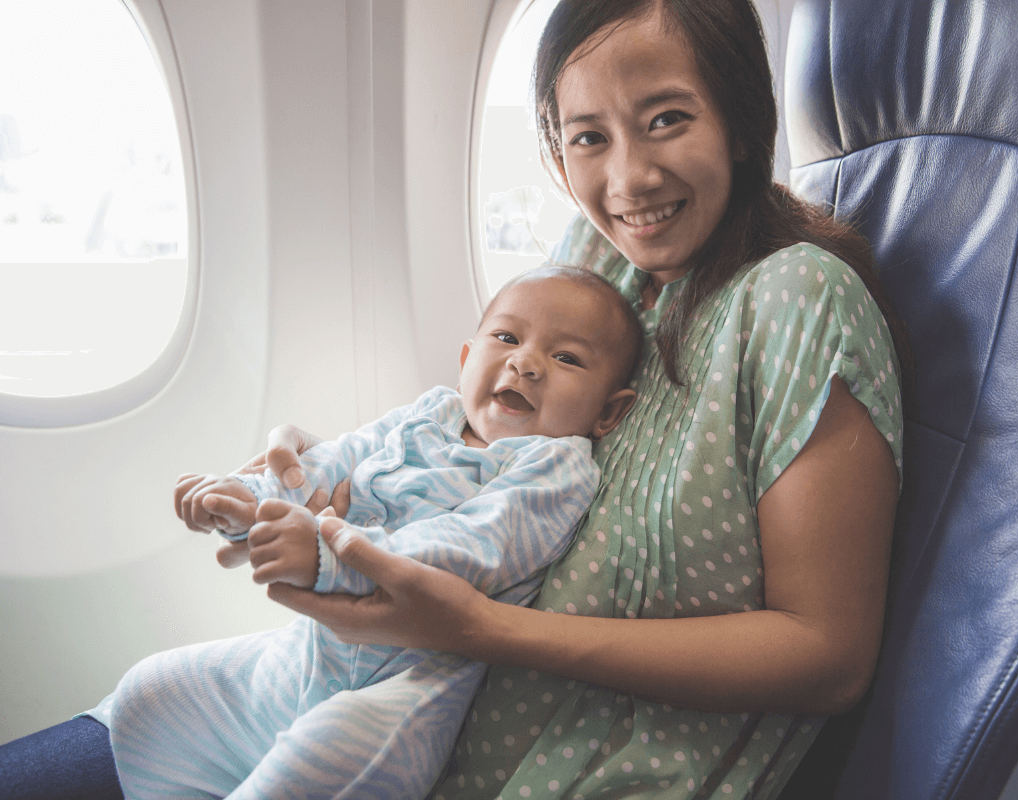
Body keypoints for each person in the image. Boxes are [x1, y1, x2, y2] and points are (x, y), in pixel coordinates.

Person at [0, 1, 906, 799]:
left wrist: (483, 629)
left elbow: (825, 656)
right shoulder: (604, 260)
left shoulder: (799, 297)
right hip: (362, 676)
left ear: (742, 124)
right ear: (555, 149)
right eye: (589, 137)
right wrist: (326, 465)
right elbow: (477, 437)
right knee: (142, 702)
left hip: (564, 758)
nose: (628, 180)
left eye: (667, 120)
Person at [91, 266, 642, 800]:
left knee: (332, 755)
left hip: (404, 685)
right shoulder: (432, 412)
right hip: (306, 655)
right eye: (505, 337)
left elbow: (474, 547)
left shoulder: (557, 465)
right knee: (149, 694)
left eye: (566, 357)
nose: (525, 362)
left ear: (608, 415)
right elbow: (335, 461)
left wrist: (330, 554)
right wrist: (245, 500)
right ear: (466, 359)